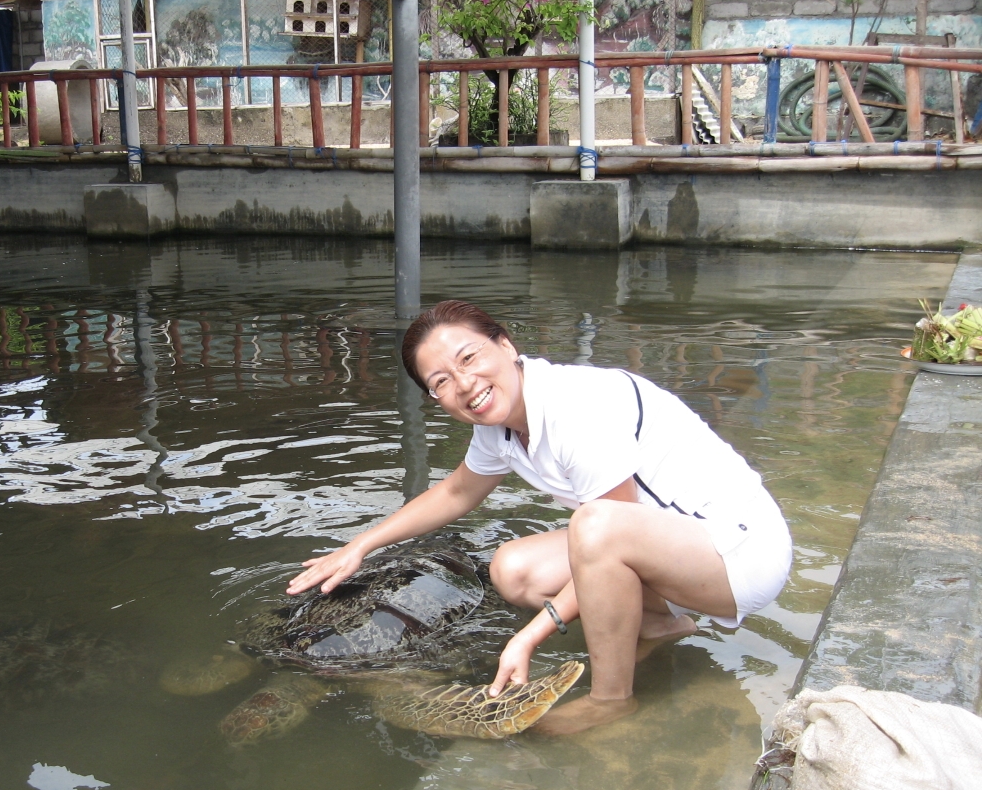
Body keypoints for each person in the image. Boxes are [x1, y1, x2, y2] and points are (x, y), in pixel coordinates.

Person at [286, 300, 792, 735]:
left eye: (470, 357)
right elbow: (457, 491)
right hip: (671, 544)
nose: (465, 384)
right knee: (513, 569)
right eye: (442, 381)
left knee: (593, 526)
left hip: (740, 557)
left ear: (505, 345)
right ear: (434, 398)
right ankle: (660, 625)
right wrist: (358, 547)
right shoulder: (502, 425)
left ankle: (611, 700)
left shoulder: (575, 407)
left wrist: (529, 636)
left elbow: (611, 527)